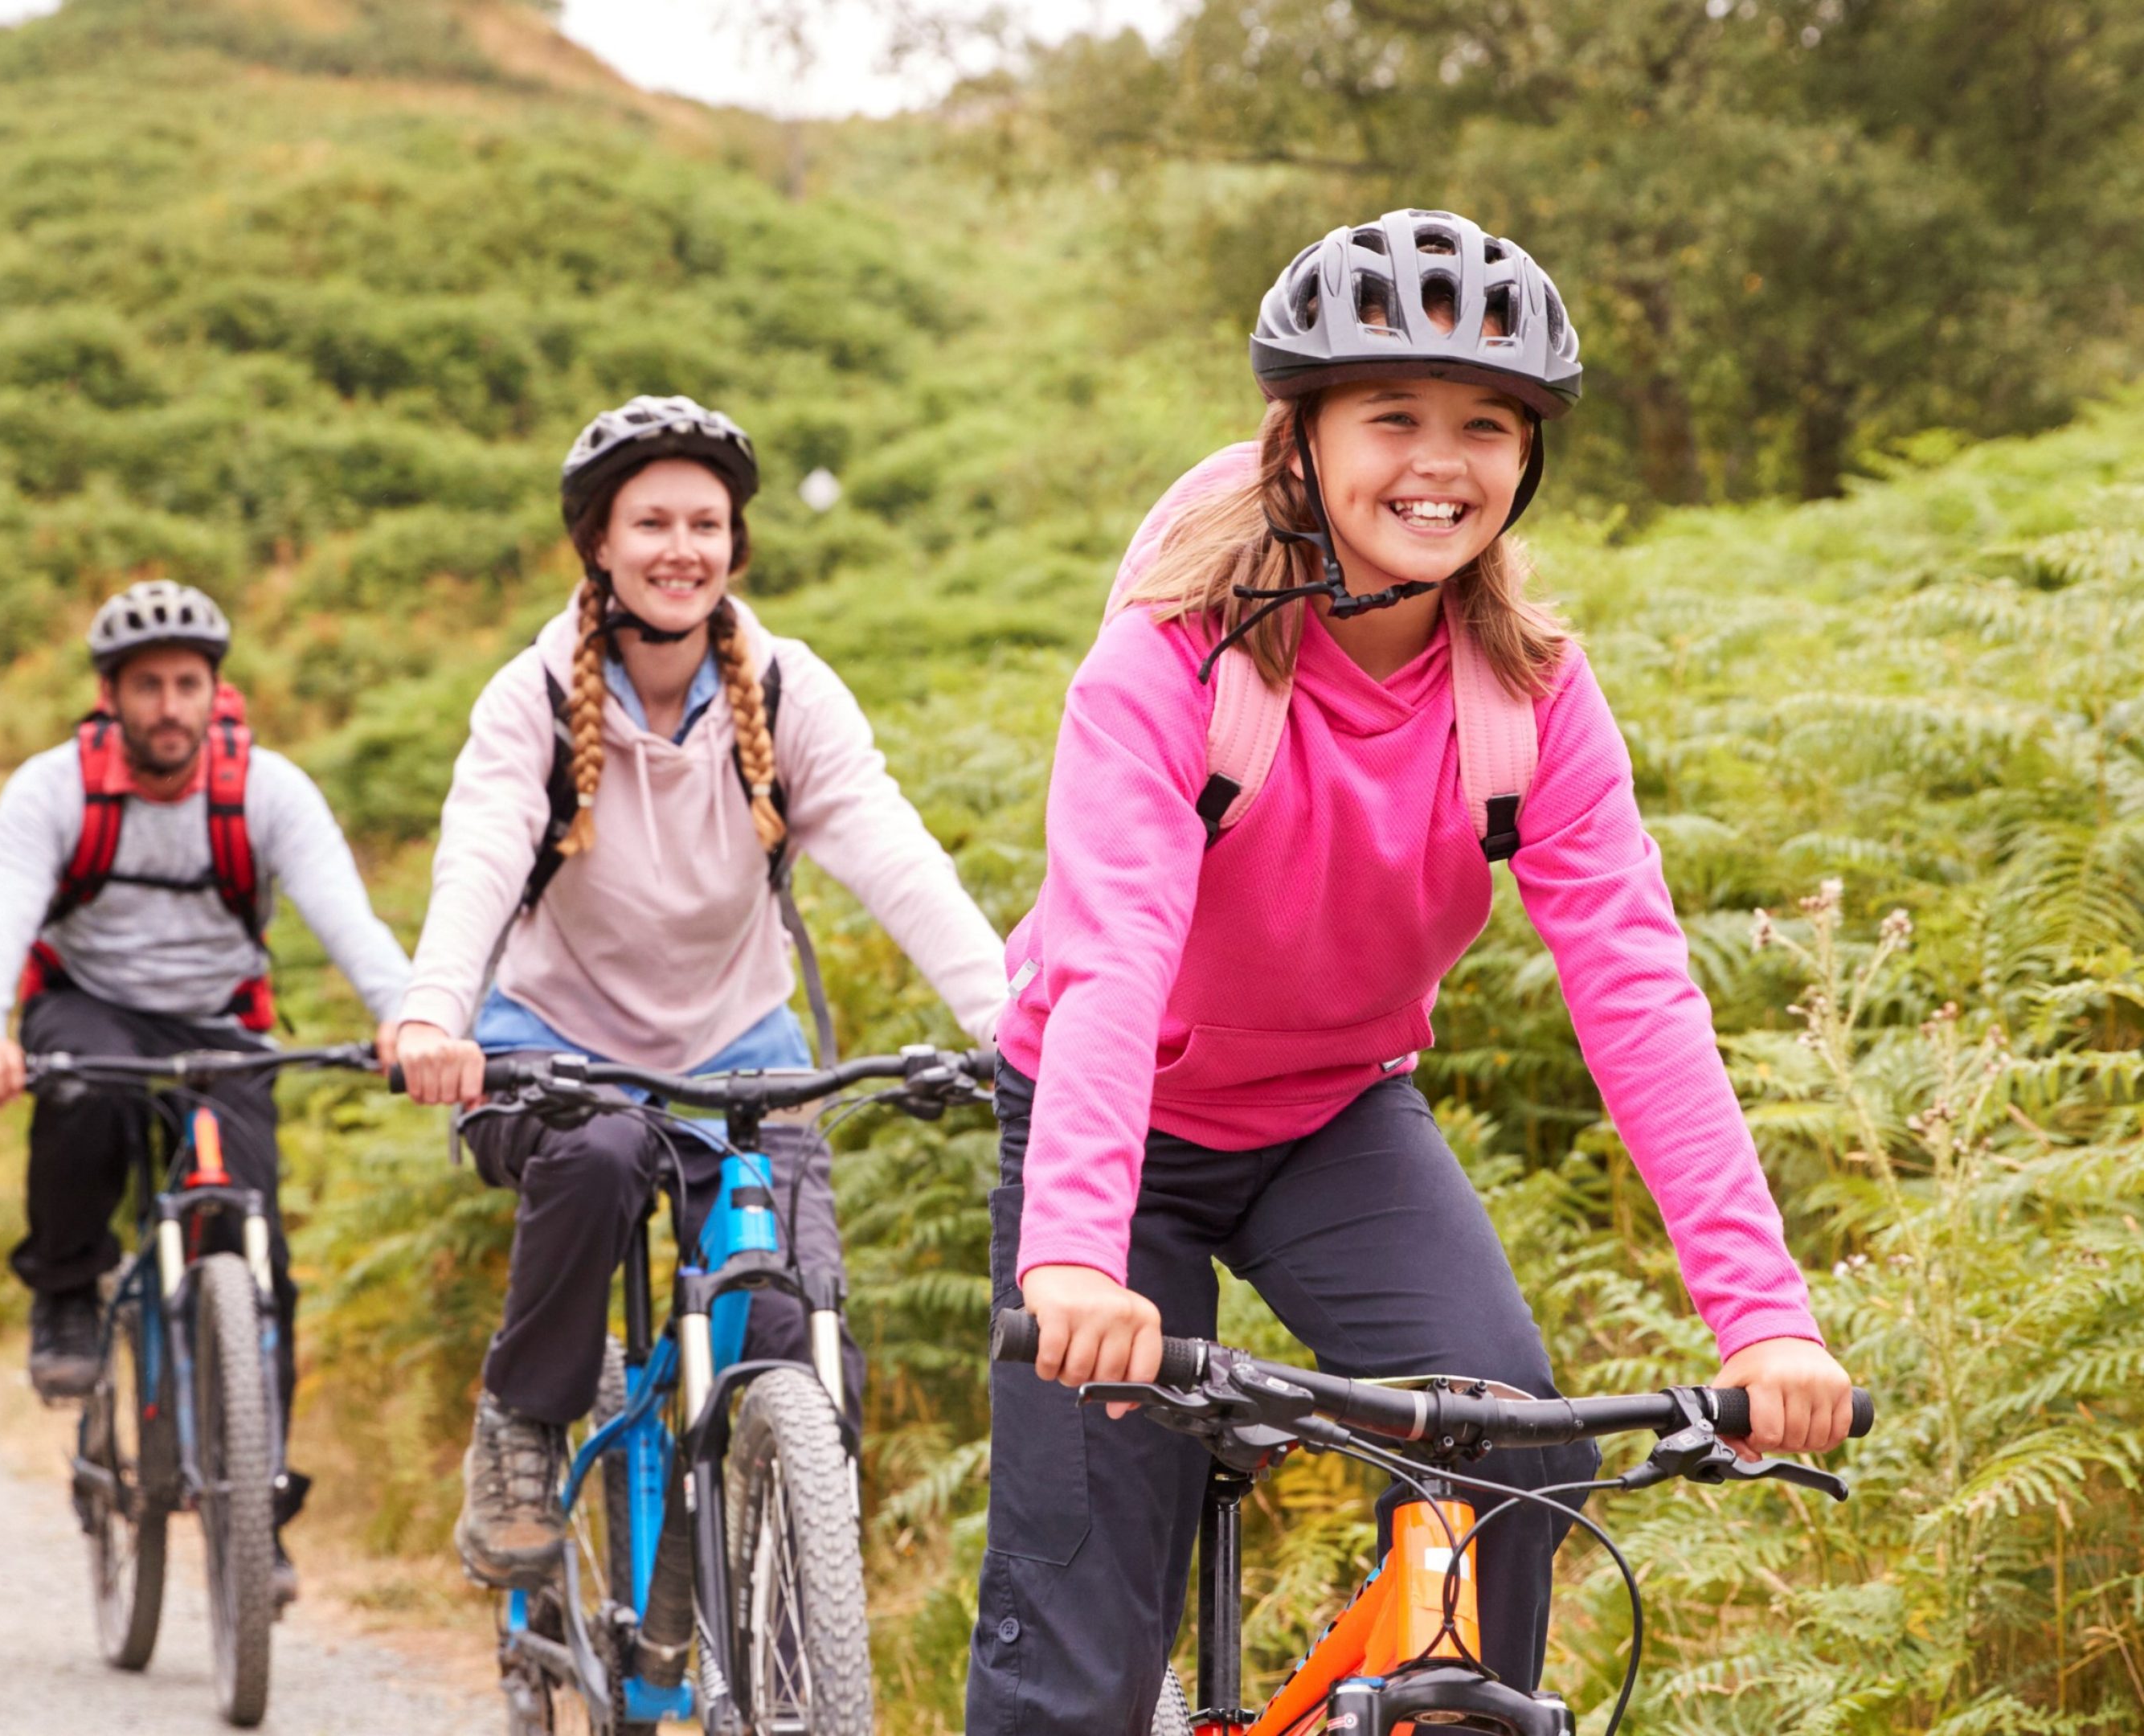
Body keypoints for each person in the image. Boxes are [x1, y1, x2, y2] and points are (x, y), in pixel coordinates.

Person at [972, 210, 1858, 1734]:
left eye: (1488, 425)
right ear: (1300, 439)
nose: (1439, 460)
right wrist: (1071, 1259)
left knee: (1510, 1443)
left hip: (1333, 1118)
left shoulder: (1529, 697)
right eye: (1393, 415)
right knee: (1078, 1641)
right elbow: (1113, 963)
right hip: (1113, 1143)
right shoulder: (1169, 666)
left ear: (1530, 457)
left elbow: (1637, 993)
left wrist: (1764, 1318)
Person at [391, 395, 1010, 1599]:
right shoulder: (529, 698)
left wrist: (1009, 1016)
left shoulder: (787, 694)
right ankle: (522, 1424)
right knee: (604, 1153)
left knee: (796, 1333)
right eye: (652, 523)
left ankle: (748, 1571)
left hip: (740, 1045)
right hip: (552, 1040)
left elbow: (894, 853)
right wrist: (429, 1012)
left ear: (736, 543)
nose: (683, 548)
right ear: (599, 546)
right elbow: (477, 855)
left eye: (707, 524)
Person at [0, 579, 410, 1604]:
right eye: (146, 686)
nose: (168, 707)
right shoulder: (51, 789)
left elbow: (347, 918)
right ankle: (67, 1293)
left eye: (187, 685)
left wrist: (407, 1016)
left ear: (217, 692)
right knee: (81, 1100)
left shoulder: (269, 790)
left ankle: (258, 1527)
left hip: (218, 1024)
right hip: (91, 1007)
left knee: (259, 1261)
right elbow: (1, 920)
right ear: (109, 696)